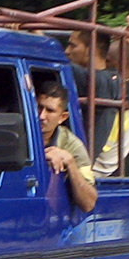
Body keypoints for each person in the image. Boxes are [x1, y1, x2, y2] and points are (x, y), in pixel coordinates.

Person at [65, 16, 129, 177]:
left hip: (80, 167)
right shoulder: (119, 86)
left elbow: (54, 63)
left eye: (72, 45)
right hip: (92, 169)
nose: (66, 51)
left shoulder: (95, 81)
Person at [37, 80, 97, 213]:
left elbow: (89, 203)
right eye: (39, 107)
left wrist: (70, 162)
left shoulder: (71, 145)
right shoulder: (17, 132)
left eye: (50, 111)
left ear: (62, 117)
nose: (41, 116)